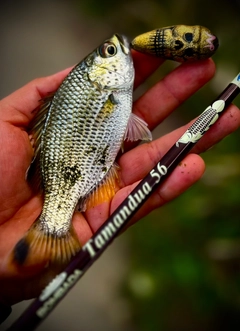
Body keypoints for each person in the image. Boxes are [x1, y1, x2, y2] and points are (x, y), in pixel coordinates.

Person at [0, 51, 239, 321]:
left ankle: (49, 237)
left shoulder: (105, 90)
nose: (120, 49)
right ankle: (53, 231)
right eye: (110, 52)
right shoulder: (95, 89)